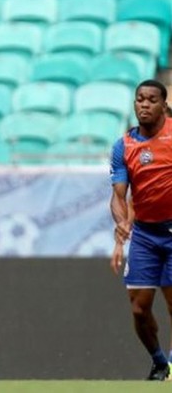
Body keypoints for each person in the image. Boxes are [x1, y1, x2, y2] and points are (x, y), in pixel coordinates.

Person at [110, 79, 172, 380]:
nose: (144, 105)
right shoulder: (124, 145)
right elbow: (118, 195)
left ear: (163, 105)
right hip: (146, 235)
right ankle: (160, 361)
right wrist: (122, 222)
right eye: (139, 99)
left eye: (151, 100)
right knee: (139, 308)